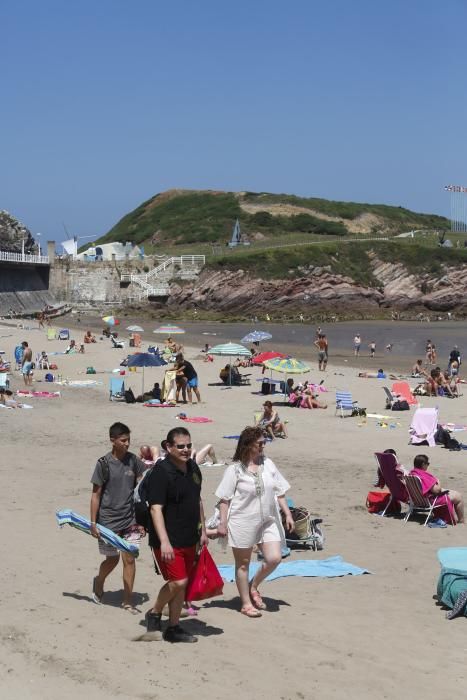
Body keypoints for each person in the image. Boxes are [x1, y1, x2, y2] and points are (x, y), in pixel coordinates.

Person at [215, 426, 294, 618]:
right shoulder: (234, 470)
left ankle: (254, 585)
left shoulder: (268, 463)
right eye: (260, 442)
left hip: (268, 519)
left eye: (264, 441)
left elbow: (279, 491)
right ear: (248, 445)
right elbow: (224, 499)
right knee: (243, 564)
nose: (263, 445)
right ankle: (245, 603)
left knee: (274, 558)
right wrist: (222, 523)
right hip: (242, 521)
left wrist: (288, 514)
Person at [145, 427, 208, 643]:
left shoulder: (192, 468)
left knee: (182, 582)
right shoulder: (161, 472)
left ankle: (173, 628)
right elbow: (155, 509)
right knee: (178, 582)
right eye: (180, 446)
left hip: (190, 535)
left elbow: (197, 499)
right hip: (168, 539)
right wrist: (163, 541)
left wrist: (203, 529)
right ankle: (155, 611)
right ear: (168, 447)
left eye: (188, 445)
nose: (186, 450)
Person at [90, 422, 146, 613]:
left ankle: (127, 600)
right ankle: (99, 580)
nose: (127, 443)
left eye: (129, 439)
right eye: (123, 440)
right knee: (112, 560)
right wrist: (93, 523)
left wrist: (142, 521)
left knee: (129, 559)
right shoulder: (103, 464)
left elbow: (143, 485)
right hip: (107, 521)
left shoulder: (134, 461)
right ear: (112, 440)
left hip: (130, 520)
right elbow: (96, 494)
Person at [409, 454, 464, 524]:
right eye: (427, 463)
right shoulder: (422, 476)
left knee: (453, 493)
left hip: (417, 500)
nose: (428, 465)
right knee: (459, 497)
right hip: (429, 500)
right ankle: (461, 521)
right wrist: (438, 482)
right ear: (423, 464)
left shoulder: (412, 474)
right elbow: (437, 491)